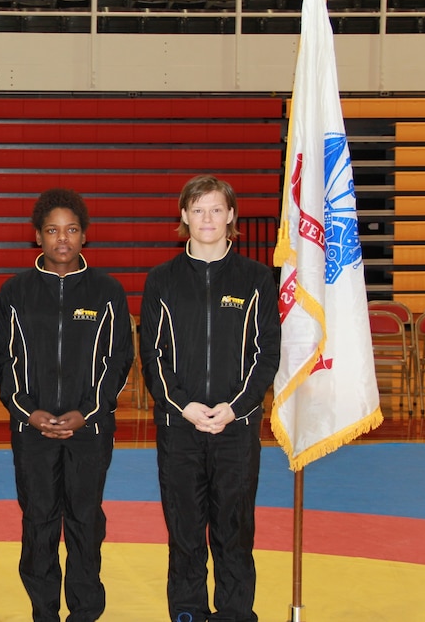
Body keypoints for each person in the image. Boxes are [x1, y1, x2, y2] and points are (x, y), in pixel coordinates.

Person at [139, 175, 281, 622]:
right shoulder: (161, 280)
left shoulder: (257, 278)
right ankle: (187, 611)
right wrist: (183, 405)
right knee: (184, 530)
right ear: (183, 216)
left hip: (236, 430)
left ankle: (236, 613)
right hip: (179, 428)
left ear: (231, 217)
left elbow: (267, 355)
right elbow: (152, 355)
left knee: (234, 531)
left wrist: (234, 408)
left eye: (216, 209)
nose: (207, 218)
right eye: (197, 209)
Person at [0, 188, 133, 622]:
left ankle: (86, 610)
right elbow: (4, 361)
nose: (62, 238)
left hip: (89, 431)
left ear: (84, 236)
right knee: (38, 521)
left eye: (71, 230)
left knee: (84, 521)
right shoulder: (15, 292)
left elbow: (119, 362)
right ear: (37, 236)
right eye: (52, 230)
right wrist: (29, 412)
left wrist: (87, 411)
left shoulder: (108, 292)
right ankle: (43, 610)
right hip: (31, 430)